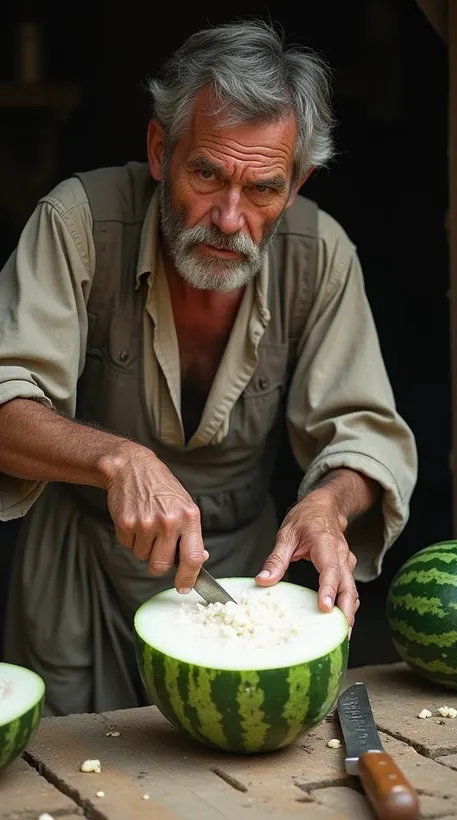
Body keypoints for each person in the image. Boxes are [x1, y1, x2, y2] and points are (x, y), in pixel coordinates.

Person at [0, 20, 417, 716]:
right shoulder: (77, 222)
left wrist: (327, 505)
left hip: (243, 579)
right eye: (207, 174)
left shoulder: (321, 255)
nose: (229, 218)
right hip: (81, 578)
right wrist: (115, 459)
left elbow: (366, 435)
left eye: (263, 189)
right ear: (161, 149)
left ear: (298, 183)